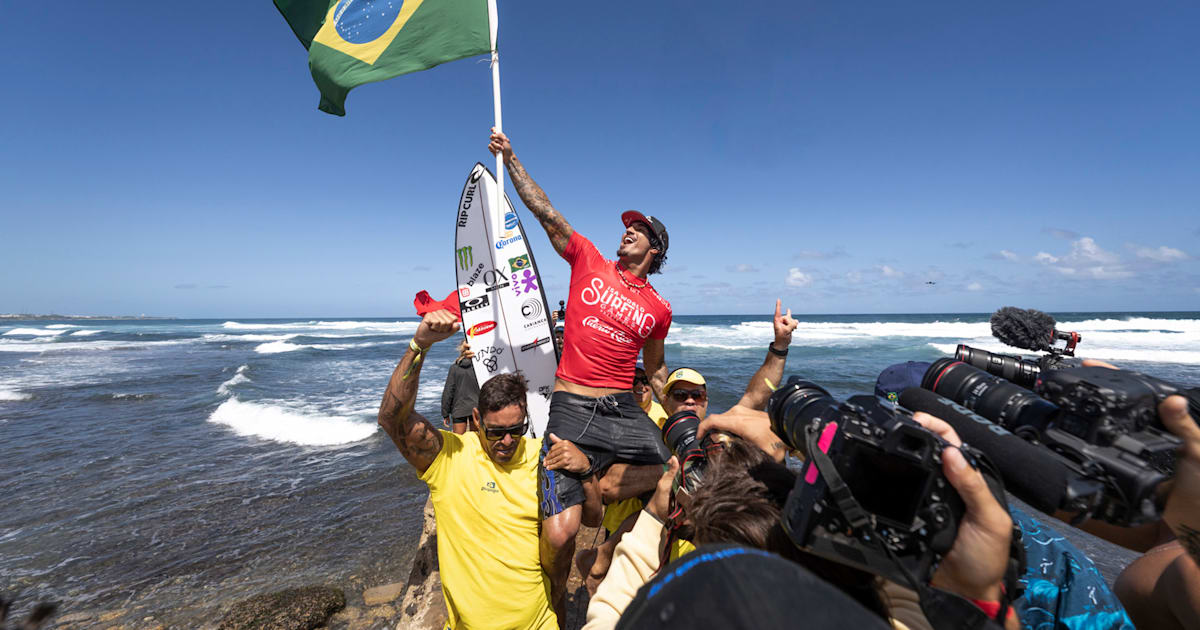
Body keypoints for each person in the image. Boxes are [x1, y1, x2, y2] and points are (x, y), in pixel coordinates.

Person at [584, 423, 1023, 630]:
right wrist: (981, 593)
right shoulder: (894, 615)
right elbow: (895, 592)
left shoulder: (708, 605)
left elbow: (606, 620)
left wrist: (654, 520)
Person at [489, 128, 675, 611]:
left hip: (622, 410)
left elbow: (654, 370)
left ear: (654, 249)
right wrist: (511, 160)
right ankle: (555, 595)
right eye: (627, 226)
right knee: (560, 530)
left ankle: (603, 544)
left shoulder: (659, 308)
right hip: (571, 407)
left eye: (639, 229)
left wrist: (682, 410)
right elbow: (546, 213)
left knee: (675, 465)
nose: (627, 230)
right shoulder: (590, 259)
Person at [575, 300, 798, 593]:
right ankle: (601, 559)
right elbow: (606, 487)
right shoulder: (644, 426)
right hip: (642, 544)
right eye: (680, 394)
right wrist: (671, 474)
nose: (690, 400)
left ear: (706, 401)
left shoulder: (720, 432)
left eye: (698, 395)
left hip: (698, 547)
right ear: (665, 400)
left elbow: (757, 393)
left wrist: (779, 346)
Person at [377, 309, 556, 630]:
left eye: (516, 430)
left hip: (539, 622)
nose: (506, 441)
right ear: (476, 420)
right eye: (495, 431)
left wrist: (582, 463)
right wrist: (420, 346)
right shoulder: (451, 458)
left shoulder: (542, 455)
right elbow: (393, 419)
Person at [441, 341, 479, 434]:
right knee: (477, 441)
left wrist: (445, 414)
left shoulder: (454, 368)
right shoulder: (479, 368)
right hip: (477, 408)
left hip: (459, 410)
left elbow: (448, 391)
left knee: (459, 441)